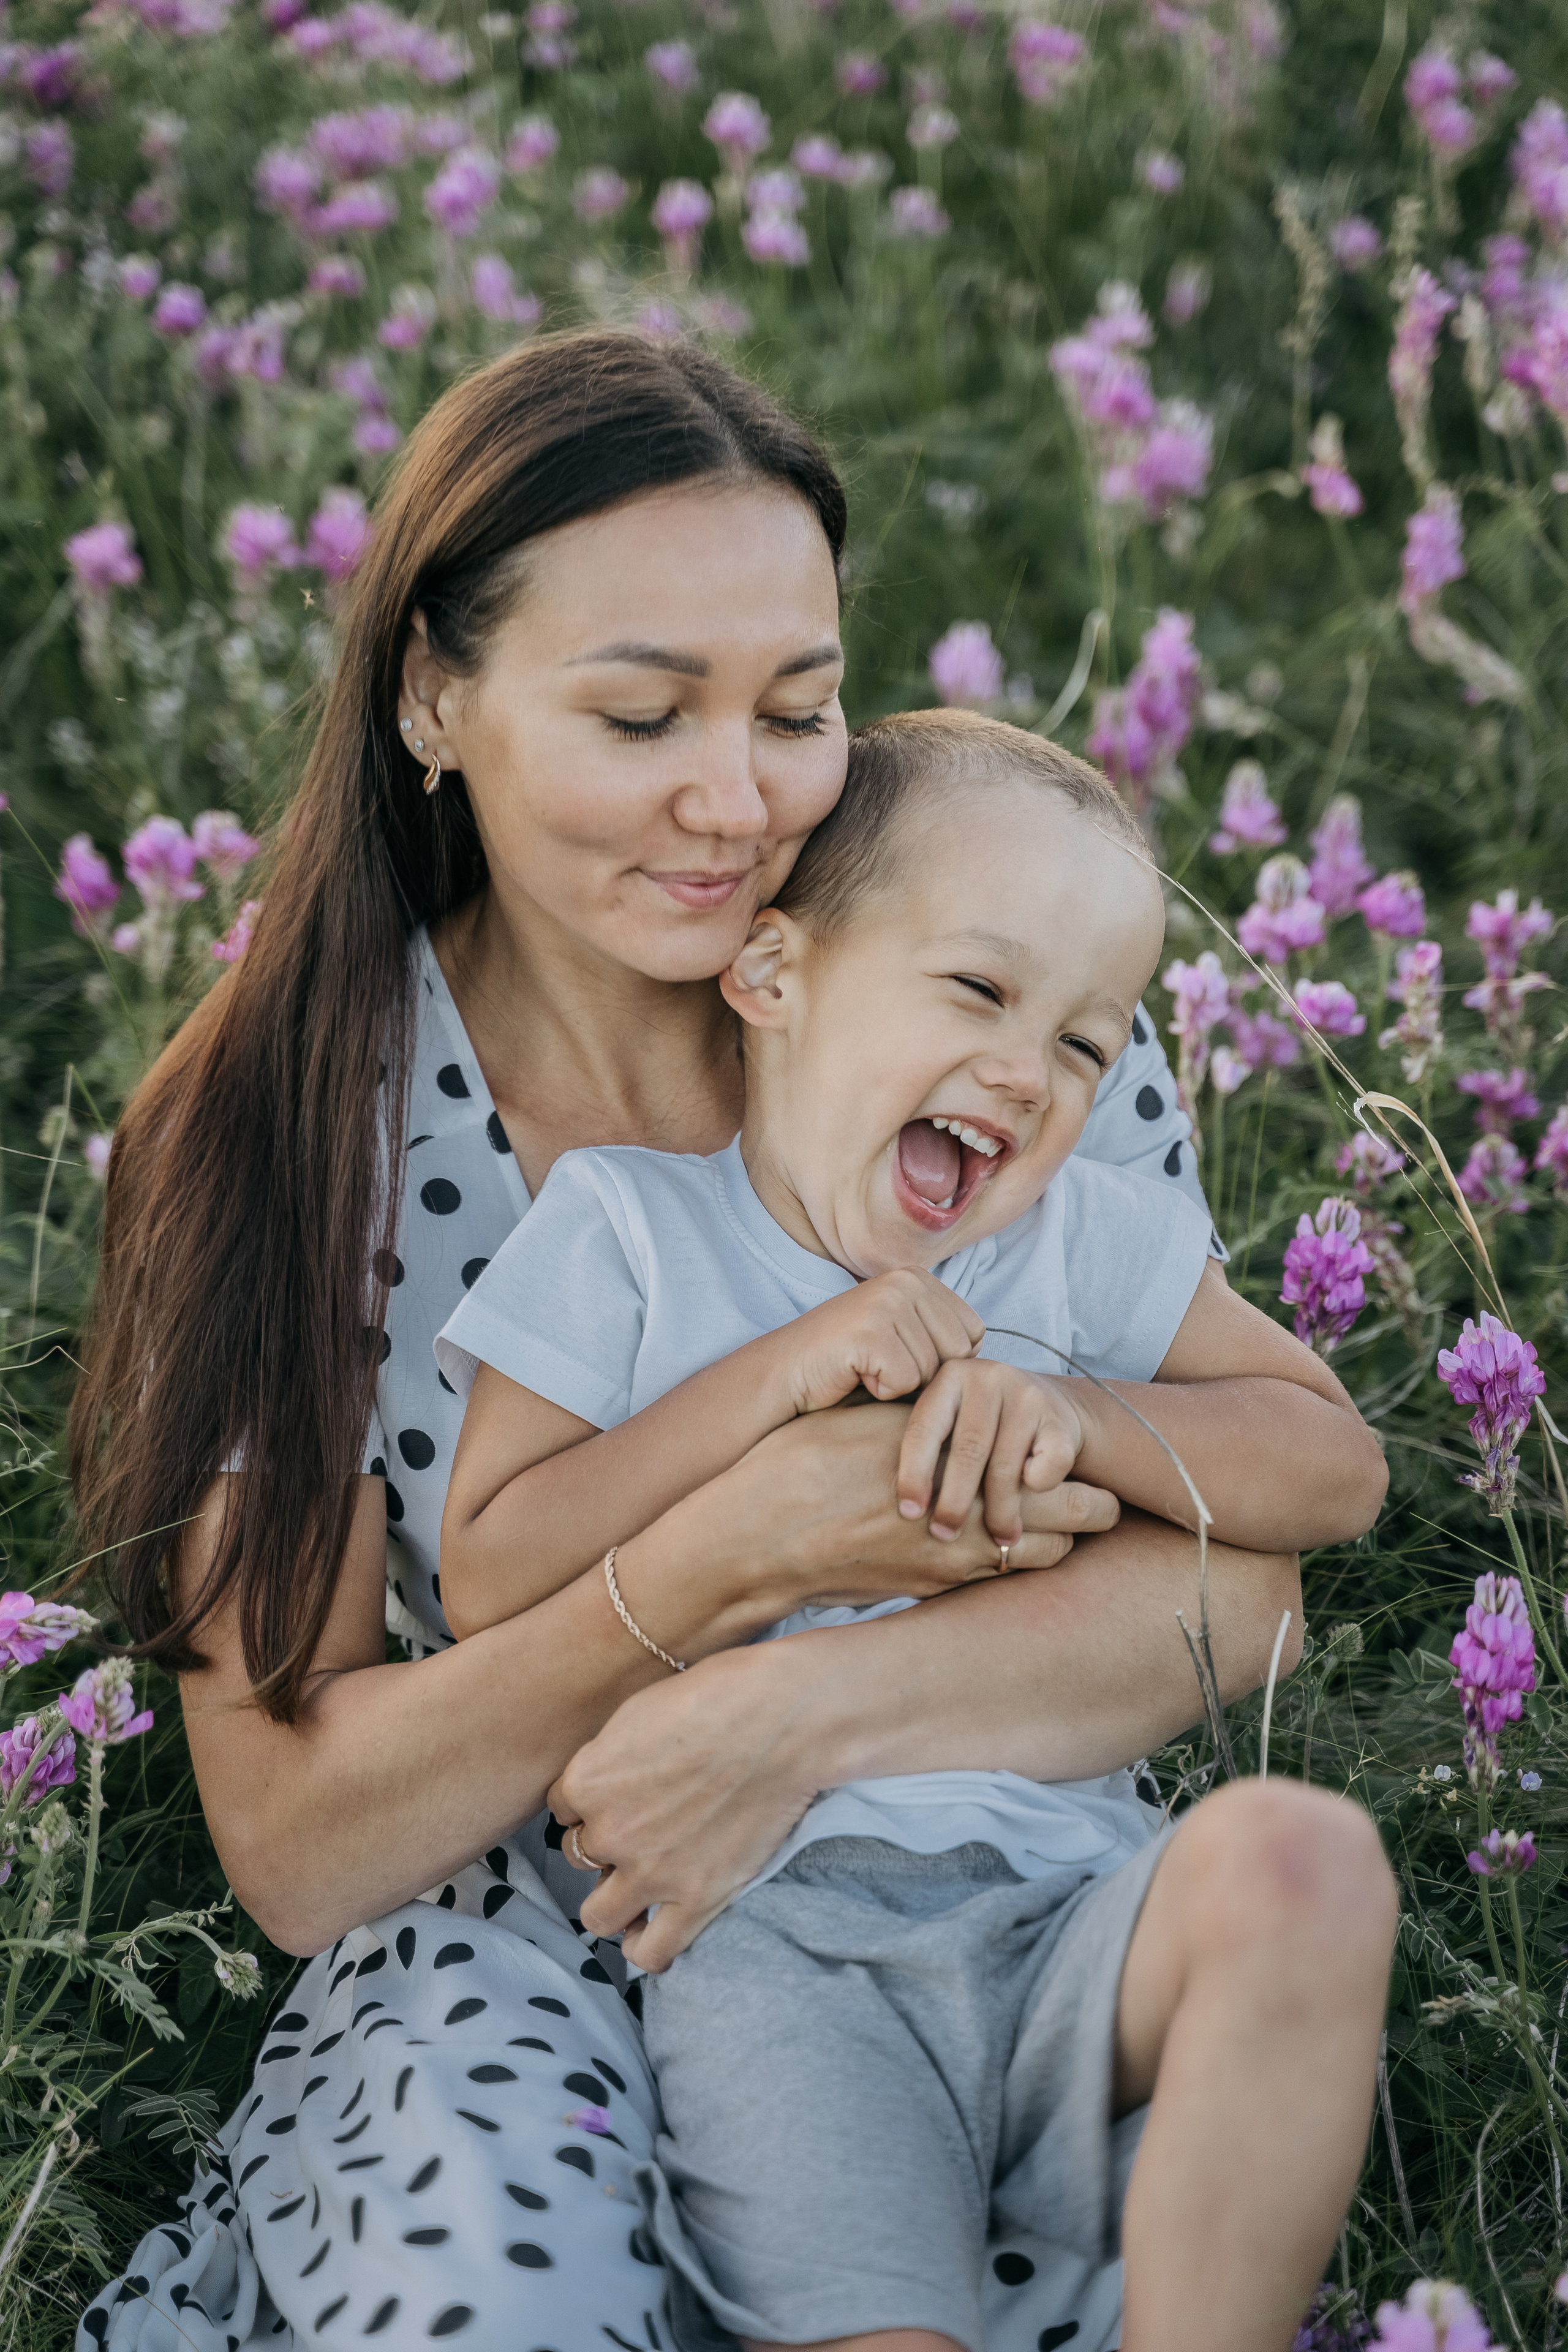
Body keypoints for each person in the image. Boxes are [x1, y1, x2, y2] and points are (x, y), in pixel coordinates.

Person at [71, 331, 1373, 2352]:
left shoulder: (982, 983)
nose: (735, 797)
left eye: (798, 708)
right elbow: (306, 1841)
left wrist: (806, 1720)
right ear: (435, 694)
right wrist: (745, 1553)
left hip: (961, 1880)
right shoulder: (276, 1131)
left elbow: (1245, 1594)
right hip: (509, 1930)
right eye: (640, 712)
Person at [435, 708, 1394, 2352]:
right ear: (772, 975)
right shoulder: (628, 1234)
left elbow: (1334, 1469)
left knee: (1304, 1862)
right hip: (777, 1955)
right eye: (977, 991)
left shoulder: (1080, 1248)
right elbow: (490, 1572)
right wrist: (776, 1378)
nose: (1031, 1074)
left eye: (1091, 1046)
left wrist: (1091, 1416)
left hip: (1073, 1907)